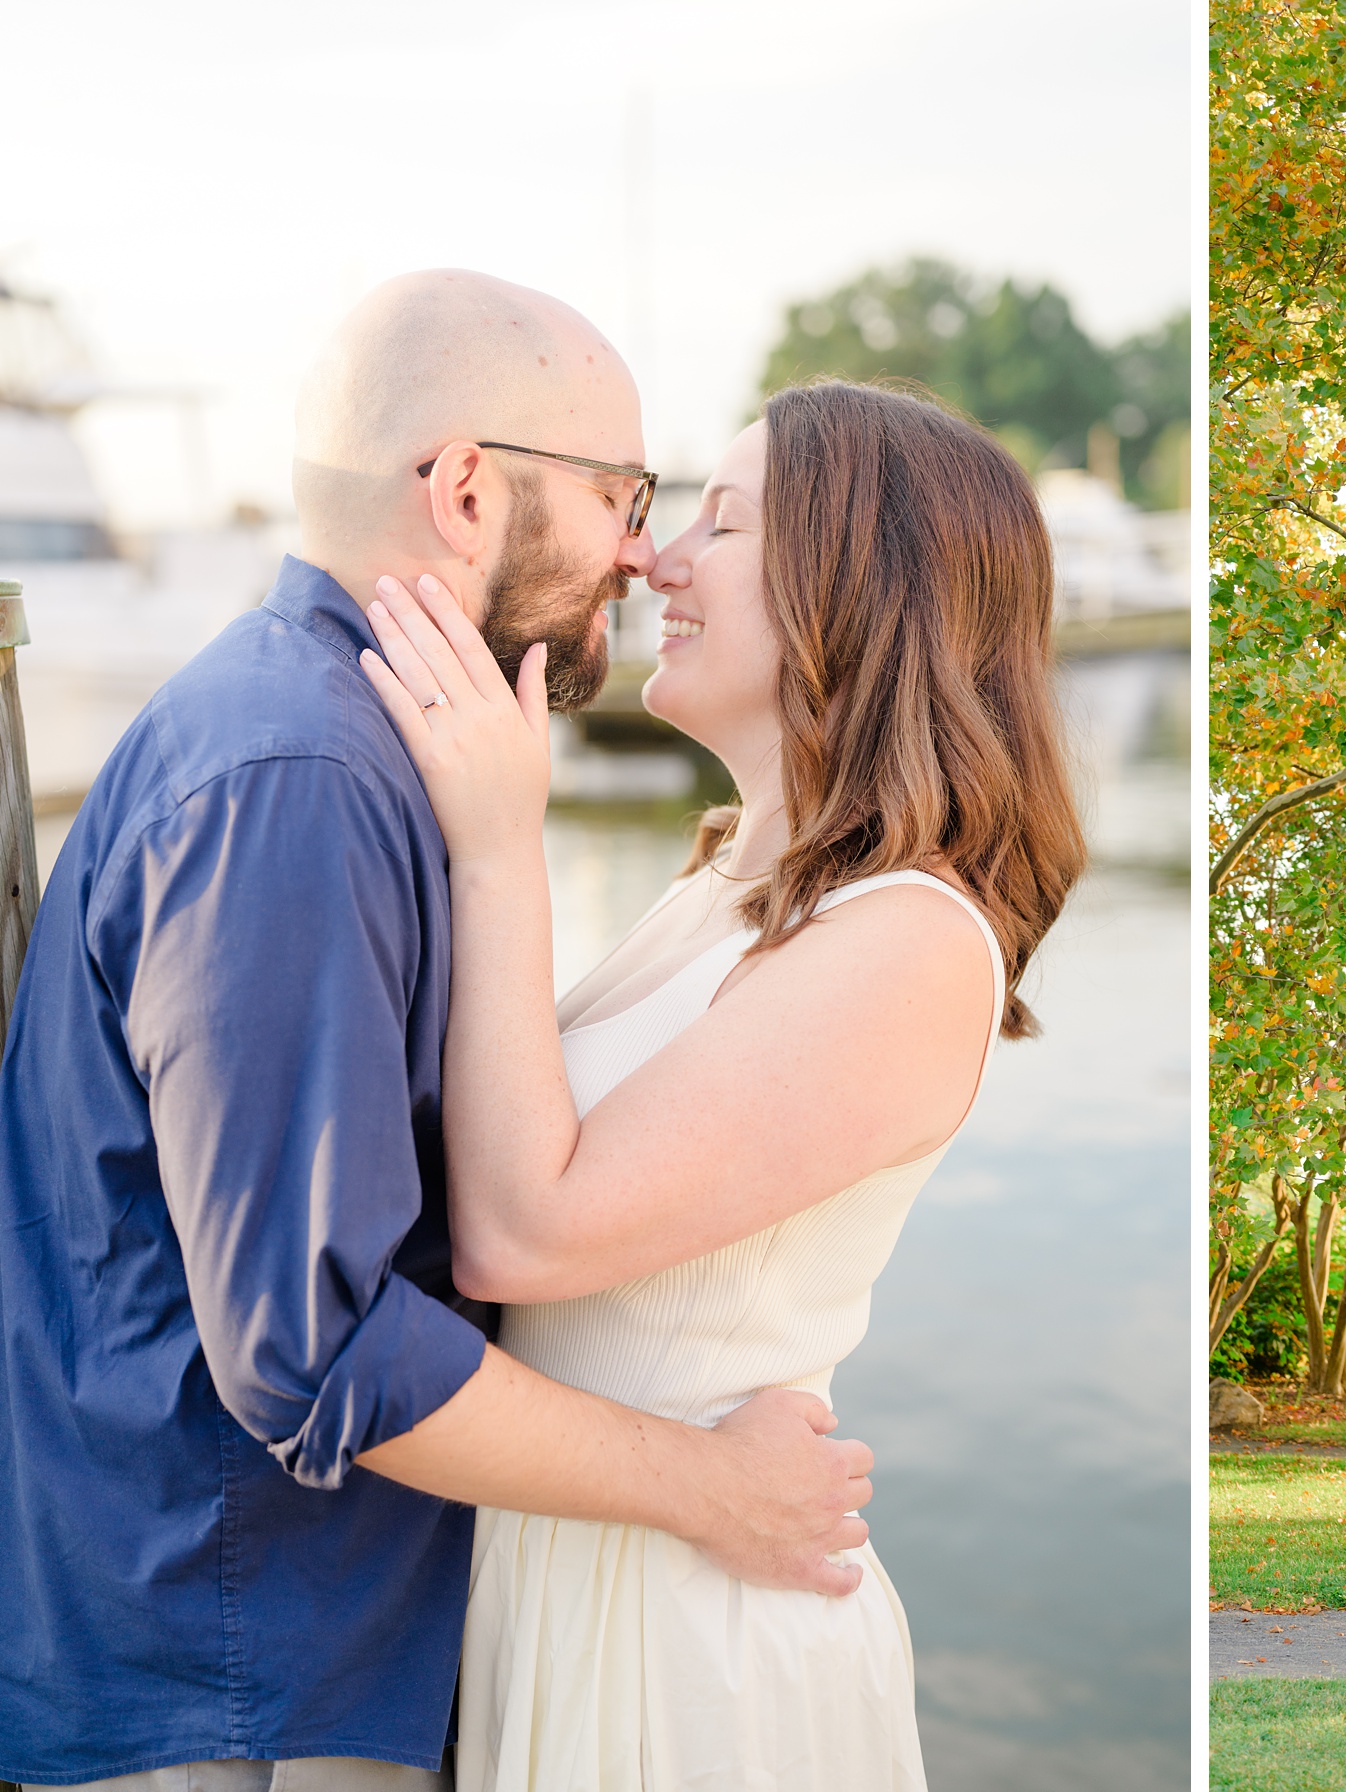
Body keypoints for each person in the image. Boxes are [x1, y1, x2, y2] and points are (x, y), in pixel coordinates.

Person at [0, 272, 874, 1790]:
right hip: (233, 1685)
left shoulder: (362, 745)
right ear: (468, 490)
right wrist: (713, 1492)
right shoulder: (300, 779)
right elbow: (311, 1349)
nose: (638, 547)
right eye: (623, 492)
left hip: (295, 1653)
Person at [356, 374, 1083, 1785]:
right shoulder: (728, 881)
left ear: (854, 591)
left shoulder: (912, 943)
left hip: (693, 1652)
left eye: (723, 524)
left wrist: (503, 847)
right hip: (579, 1568)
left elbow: (528, 1230)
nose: (651, 557)